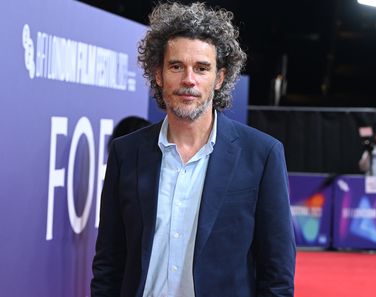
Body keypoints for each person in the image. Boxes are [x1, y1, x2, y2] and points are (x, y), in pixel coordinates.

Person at [91, 2, 296, 297]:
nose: (189, 79)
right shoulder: (126, 153)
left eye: (202, 68)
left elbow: (277, 273)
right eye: (177, 66)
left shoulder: (262, 156)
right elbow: (109, 263)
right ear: (158, 74)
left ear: (219, 79)